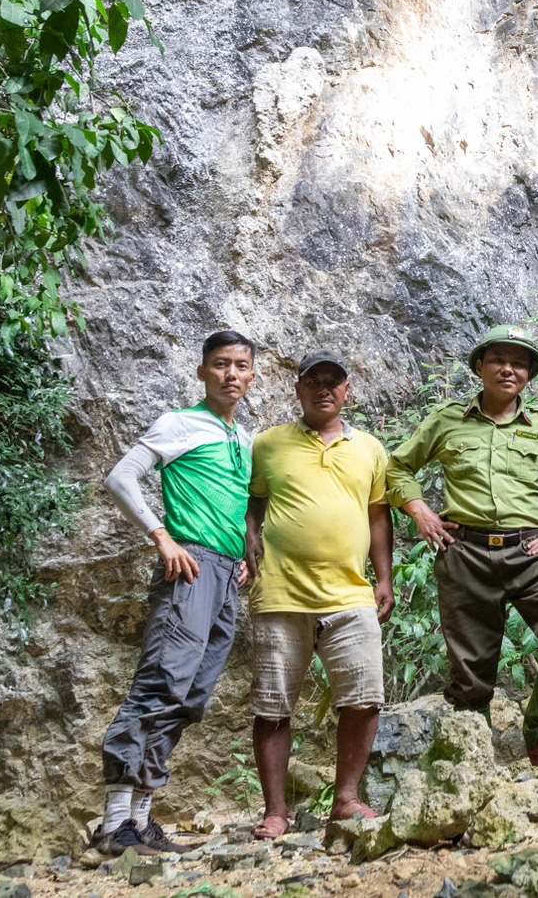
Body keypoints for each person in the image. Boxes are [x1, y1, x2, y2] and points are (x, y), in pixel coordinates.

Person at [386, 324, 538, 766]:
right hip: (465, 552)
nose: (509, 369)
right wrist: (421, 512)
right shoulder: (447, 420)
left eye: (519, 363)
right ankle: (476, 758)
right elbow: (397, 468)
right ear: (480, 367)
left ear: (529, 374)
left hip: (530, 550)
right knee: (471, 668)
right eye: (499, 360)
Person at [96, 331, 260, 856]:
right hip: (188, 564)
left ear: (252, 376)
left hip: (225, 575)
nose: (230, 374)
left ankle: (142, 819)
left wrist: (242, 558)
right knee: (160, 683)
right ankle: (113, 821)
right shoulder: (179, 423)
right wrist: (162, 537)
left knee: (191, 697)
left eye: (240, 366)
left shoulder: (244, 438)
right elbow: (121, 477)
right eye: (219, 364)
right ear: (201, 372)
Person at [242, 352, 394, 839]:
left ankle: (346, 799)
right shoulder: (267, 444)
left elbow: (377, 515)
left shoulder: (370, 448)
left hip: (350, 593)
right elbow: (252, 504)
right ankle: (276, 812)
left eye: (334, 382)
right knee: (272, 706)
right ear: (297, 389)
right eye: (314, 381)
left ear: (347, 390)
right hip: (281, 593)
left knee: (365, 698)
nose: (324, 389)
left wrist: (384, 578)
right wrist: (250, 546)